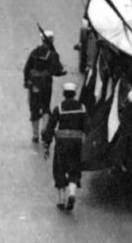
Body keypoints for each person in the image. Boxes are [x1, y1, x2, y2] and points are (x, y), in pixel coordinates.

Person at [41, 81, 87, 212]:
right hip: (76, 143)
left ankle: (61, 200)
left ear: (64, 94)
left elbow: (50, 127)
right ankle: (72, 193)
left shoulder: (59, 108)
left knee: (59, 168)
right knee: (74, 168)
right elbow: (87, 126)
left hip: (62, 143)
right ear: (74, 94)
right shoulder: (82, 108)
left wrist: (46, 144)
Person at [24, 30, 67, 142]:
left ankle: (35, 134)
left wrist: (27, 82)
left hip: (34, 84)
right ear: (52, 40)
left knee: (34, 108)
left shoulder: (34, 52)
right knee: (45, 107)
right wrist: (61, 72)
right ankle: (44, 130)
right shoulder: (53, 54)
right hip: (46, 84)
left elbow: (27, 68)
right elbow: (56, 70)